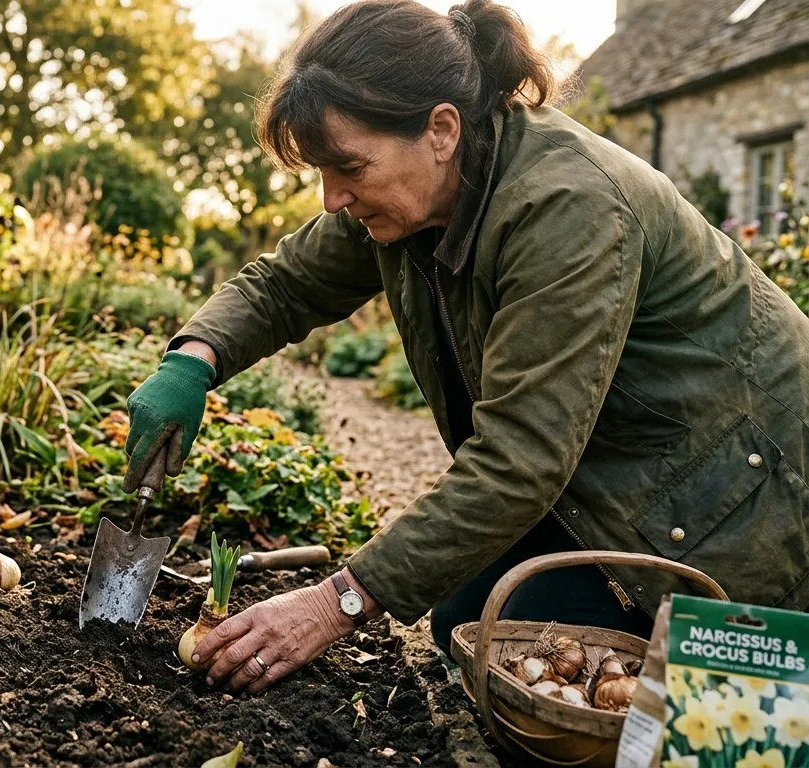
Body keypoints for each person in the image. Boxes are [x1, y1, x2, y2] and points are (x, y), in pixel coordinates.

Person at [121, 0, 809, 695]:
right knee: (468, 618)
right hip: (621, 467)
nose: (332, 199)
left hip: (738, 493)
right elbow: (285, 285)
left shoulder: (567, 207)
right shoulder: (417, 191)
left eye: (348, 167)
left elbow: (520, 458)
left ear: (441, 130)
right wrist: (191, 362)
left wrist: (334, 604)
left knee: (605, 692)